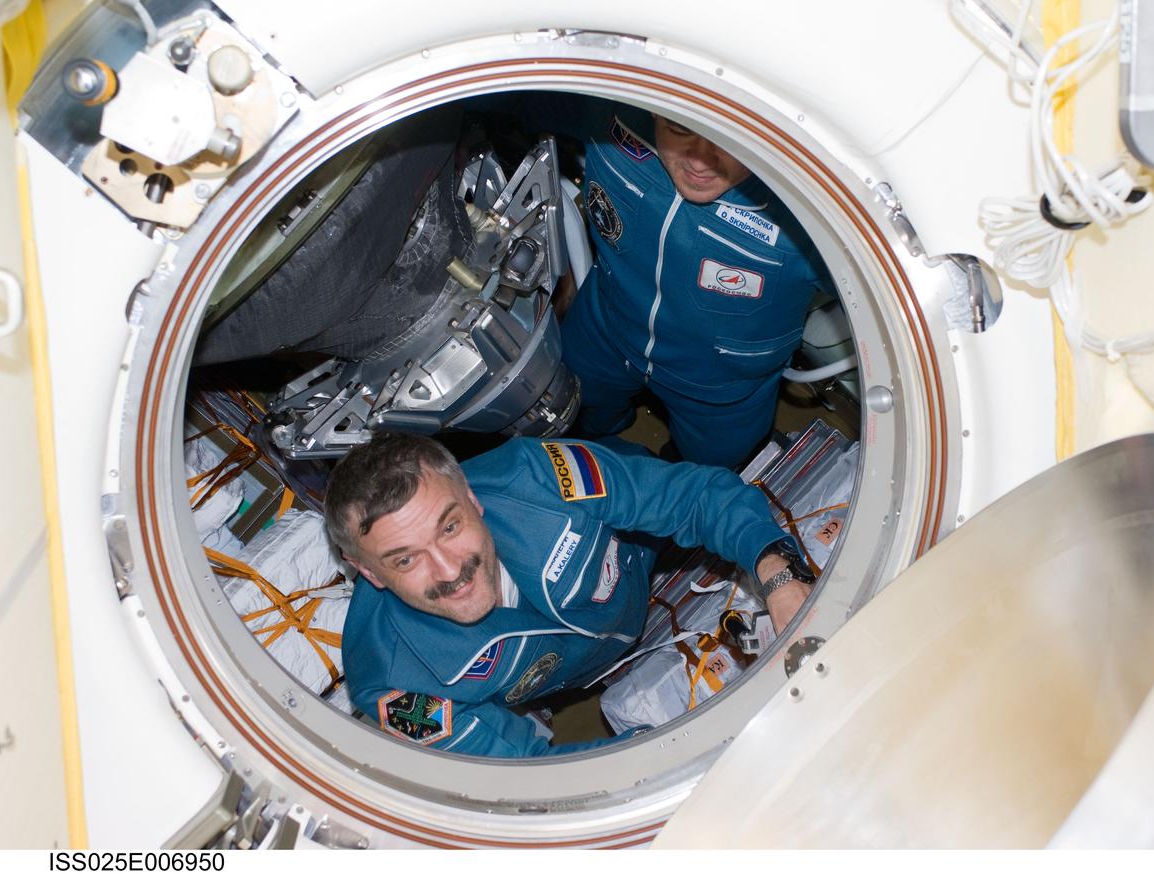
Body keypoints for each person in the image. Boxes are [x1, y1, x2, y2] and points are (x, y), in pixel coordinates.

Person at [325, 431, 814, 757]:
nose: (451, 570)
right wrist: (679, 751)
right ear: (367, 571)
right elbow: (525, 771)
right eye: (405, 559)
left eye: (450, 526)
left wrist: (778, 576)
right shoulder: (392, 687)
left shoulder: (539, 475)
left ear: (473, 499)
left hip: (645, 554)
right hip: (574, 675)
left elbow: (695, 499)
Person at [549, 98, 830, 469]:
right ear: (651, 109)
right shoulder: (609, 117)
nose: (699, 162)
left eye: (729, 143)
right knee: (573, 412)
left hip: (722, 388)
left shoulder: (818, 216)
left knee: (710, 476)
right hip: (605, 327)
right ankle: (605, 439)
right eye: (679, 131)